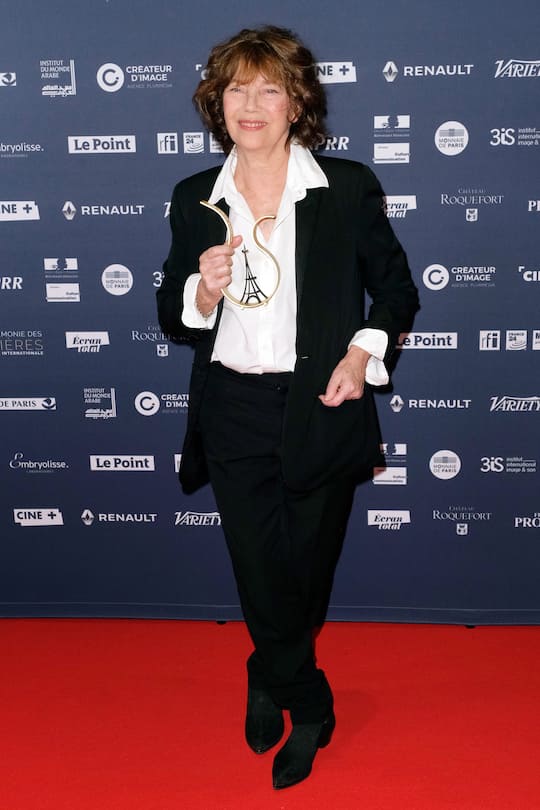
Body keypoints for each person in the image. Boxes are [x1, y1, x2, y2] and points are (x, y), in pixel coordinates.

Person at [157, 25, 419, 790]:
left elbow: (397, 288)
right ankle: (310, 707)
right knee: (258, 566)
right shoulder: (195, 198)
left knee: (305, 569)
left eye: (269, 87)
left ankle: (266, 665)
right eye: (236, 88)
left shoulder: (346, 188)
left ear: (297, 101)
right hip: (233, 406)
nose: (251, 104)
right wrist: (201, 289)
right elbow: (173, 316)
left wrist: (362, 351)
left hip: (323, 403)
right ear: (217, 101)